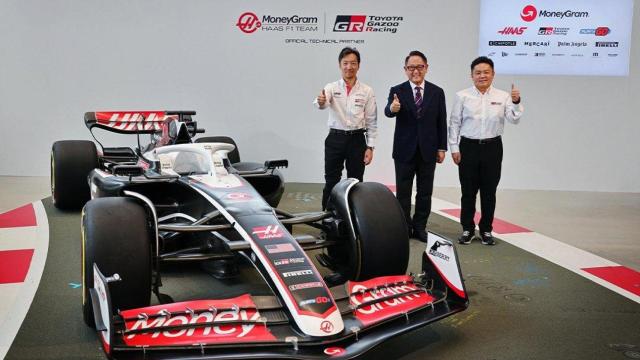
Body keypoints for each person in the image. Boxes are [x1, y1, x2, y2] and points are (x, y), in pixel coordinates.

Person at [448, 56, 523, 246]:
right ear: (472, 75)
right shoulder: (462, 96)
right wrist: (454, 148)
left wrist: (516, 101)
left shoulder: (503, 96)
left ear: (493, 74)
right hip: (468, 147)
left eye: (486, 72)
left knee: (489, 191)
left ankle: (487, 230)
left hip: (493, 147)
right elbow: (454, 123)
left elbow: (514, 119)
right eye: (478, 73)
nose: (482, 76)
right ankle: (467, 228)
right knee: (468, 191)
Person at [384, 50, 447, 242]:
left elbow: (441, 121)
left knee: (425, 192)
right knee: (403, 192)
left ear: (426, 68)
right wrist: (392, 109)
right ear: (405, 70)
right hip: (404, 150)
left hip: (428, 150)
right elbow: (388, 111)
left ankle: (420, 227)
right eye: (411, 68)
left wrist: (441, 148)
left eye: (419, 67)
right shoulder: (398, 90)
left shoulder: (437, 92)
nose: (415, 71)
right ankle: (404, 227)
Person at [314, 47, 377, 210]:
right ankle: (327, 220)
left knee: (356, 183)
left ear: (359, 65)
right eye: (346, 63)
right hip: (335, 139)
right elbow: (322, 102)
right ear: (340, 65)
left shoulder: (367, 90)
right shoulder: (331, 87)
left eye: (353, 63)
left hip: (357, 140)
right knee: (331, 181)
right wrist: (320, 101)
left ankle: (355, 222)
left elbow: (371, 120)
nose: (349, 67)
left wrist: (370, 146)